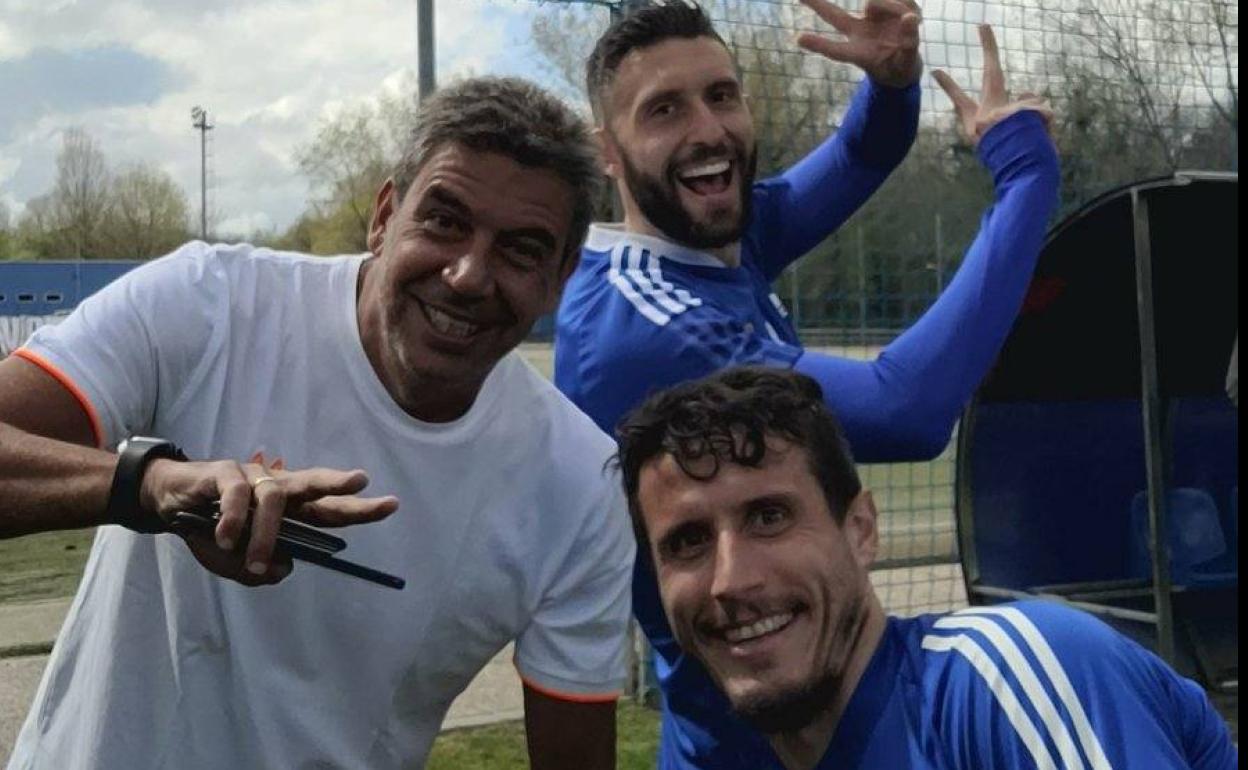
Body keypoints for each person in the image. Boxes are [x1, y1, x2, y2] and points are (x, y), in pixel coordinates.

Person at [0, 77, 633, 770]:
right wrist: (148, 486)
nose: (467, 275)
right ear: (385, 216)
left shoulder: (579, 484)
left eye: (521, 250)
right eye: (444, 220)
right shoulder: (209, 303)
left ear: (563, 275)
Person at [554, 2, 1060, 764]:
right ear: (609, 154)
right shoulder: (645, 325)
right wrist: (1026, 175)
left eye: (721, 95)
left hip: (801, 729)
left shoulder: (702, 235)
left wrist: (892, 82)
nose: (707, 130)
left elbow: (860, 155)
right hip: (756, 746)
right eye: (664, 110)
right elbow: (910, 409)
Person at [616, 366, 1239, 769]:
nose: (731, 580)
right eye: (688, 542)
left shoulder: (1006, 680)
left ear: (860, 530)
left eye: (770, 517)